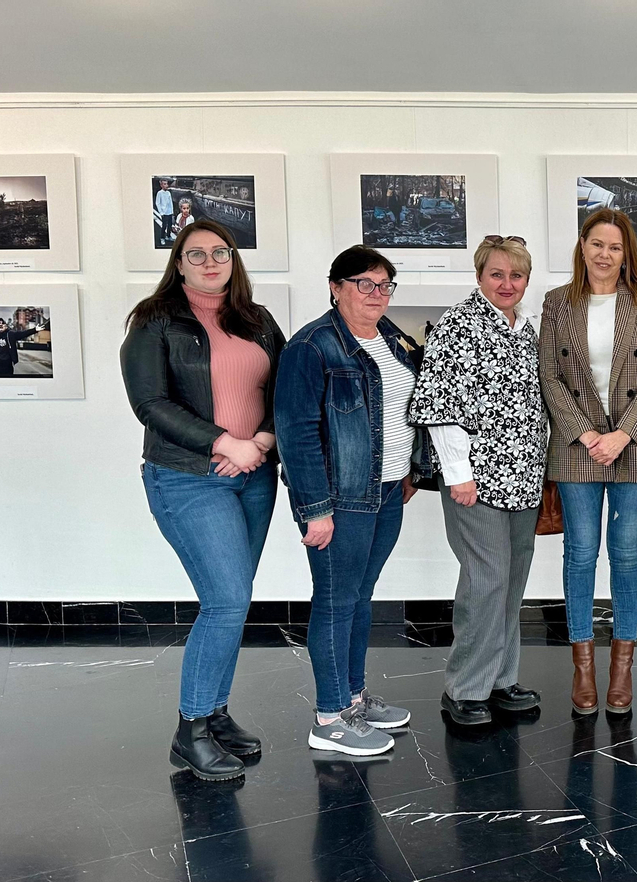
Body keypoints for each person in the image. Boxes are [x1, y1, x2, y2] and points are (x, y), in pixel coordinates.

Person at [121, 219, 285, 781]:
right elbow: (150, 404)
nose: (211, 262)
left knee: (233, 601)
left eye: (222, 252)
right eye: (197, 254)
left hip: (255, 474)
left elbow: (285, 390)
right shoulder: (154, 321)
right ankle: (190, 731)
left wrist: (261, 440)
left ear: (234, 260)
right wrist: (225, 443)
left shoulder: (257, 321)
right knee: (226, 600)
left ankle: (213, 713)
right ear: (179, 261)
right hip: (188, 477)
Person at [275, 245, 428, 757]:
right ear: (336, 287)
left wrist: (409, 472)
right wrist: (314, 508)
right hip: (341, 498)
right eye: (365, 283)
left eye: (385, 285)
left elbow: (406, 411)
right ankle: (328, 716)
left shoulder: (392, 340)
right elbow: (296, 433)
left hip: (386, 492)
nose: (377, 294)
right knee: (337, 600)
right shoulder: (312, 347)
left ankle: (353, 699)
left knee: (360, 597)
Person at [410, 235, 549, 726]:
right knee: (485, 580)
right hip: (478, 479)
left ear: (527, 280)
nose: (507, 284)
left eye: (516, 275)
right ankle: (465, 688)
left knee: (511, 581)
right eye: (497, 274)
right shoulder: (457, 326)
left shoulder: (525, 330)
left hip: (525, 476)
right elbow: (438, 406)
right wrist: (459, 476)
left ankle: (500, 680)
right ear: (479, 276)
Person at [539, 209, 637, 715]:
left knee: (628, 554)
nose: (604, 254)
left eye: (614, 247)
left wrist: (620, 435)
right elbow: (550, 376)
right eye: (596, 244)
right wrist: (589, 433)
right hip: (577, 446)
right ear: (582, 247)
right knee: (580, 552)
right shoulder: (558, 303)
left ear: (626, 253)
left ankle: (621, 670)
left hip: (634, 445)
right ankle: (584, 668)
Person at [156, 179, 176, 247]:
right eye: (164, 184)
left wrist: (172, 212)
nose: (166, 185)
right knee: (164, 226)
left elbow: (170, 203)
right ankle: (162, 238)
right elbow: (157, 203)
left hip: (169, 212)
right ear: (161, 185)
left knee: (170, 225)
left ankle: (168, 236)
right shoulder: (159, 193)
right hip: (164, 213)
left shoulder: (168, 193)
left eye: (166, 184)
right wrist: (161, 212)